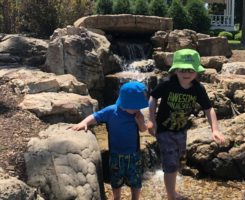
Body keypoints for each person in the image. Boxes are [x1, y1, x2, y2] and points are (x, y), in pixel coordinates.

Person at [148, 49, 225, 200]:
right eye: (182, 69)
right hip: (164, 130)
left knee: (178, 162)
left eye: (190, 70)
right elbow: (152, 98)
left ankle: (172, 191)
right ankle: (171, 196)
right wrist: (151, 120)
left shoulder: (197, 88)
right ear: (175, 70)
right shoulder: (167, 83)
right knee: (170, 164)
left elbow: (208, 109)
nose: (186, 73)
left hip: (182, 130)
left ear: (196, 71)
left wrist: (215, 130)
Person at [71, 81, 150, 200]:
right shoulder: (111, 111)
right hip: (115, 155)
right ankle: (116, 197)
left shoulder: (137, 115)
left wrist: (140, 123)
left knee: (135, 180)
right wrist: (84, 122)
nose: (138, 109)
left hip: (134, 154)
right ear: (127, 103)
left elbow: (143, 130)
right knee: (116, 180)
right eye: (136, 106)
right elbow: (95, 116)